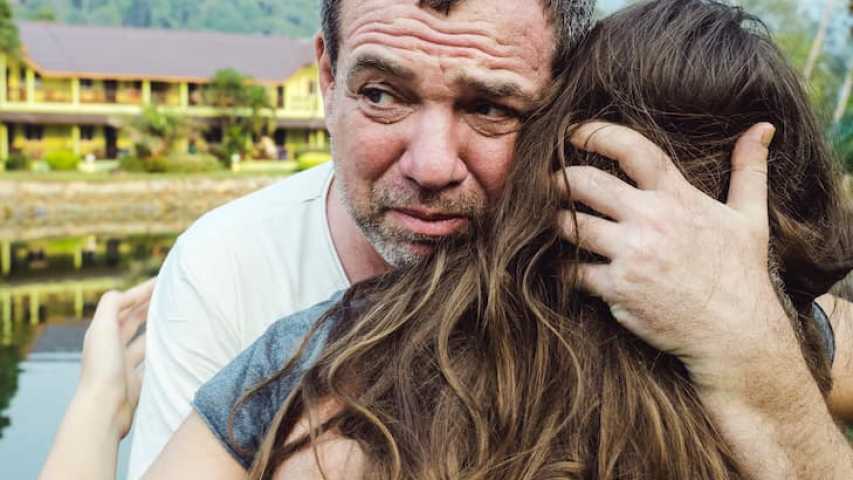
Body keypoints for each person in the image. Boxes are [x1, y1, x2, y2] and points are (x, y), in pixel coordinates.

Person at [41, 1, 853, 479]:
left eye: (491, 107)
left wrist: (753, 353)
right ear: (324, 79)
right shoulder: (225, 268)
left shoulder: (719, 309)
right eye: (382, 94)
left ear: (565, 114)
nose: (431, 166)